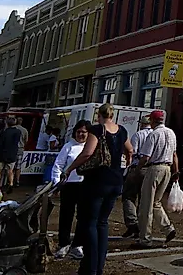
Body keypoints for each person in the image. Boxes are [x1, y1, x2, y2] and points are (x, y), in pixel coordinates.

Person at [64, 104, 133, 275]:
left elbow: (87, 153)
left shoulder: (97, 130)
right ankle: (99, 265)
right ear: (112, 115)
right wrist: (127, 162)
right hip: (115, 180)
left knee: (90, 222)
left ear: (98, 115)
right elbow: (130, 149)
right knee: (103, 222)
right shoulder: (122, 130)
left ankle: (91, 266)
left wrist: (69, 169)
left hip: (98, 180)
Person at [134, 110, 179, 249]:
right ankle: (168, 228)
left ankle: (145, 239)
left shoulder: (154, 134)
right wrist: (176, 171)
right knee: (156, 202)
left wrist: (137, 168)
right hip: (167, 168)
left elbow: (146, 156)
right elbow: (174, 154)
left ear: (153, 121)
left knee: (146, 205)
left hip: (154, 168)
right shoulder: (171, 133)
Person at [51, 120, 90, 260]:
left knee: (83, 216)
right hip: (69, 185)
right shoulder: (68, 146)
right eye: (78, 132)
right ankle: (63, 243)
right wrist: (57, 183)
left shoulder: (91, 147)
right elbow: (58, 166)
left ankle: (78, 245)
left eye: (84, 132)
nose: (81, 134)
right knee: (66, 215)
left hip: (85, 185)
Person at [122, 116, 153, 239]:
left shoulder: (138, 135)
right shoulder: (155, 134)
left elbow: (132, 151)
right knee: (144, 198)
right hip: (151, 169)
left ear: (141, 124)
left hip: (137, 167)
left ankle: (132, 224)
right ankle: (142, 226)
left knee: (129, 196)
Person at [0, 117, 20, 193]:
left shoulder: (4, 131)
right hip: (12, 154)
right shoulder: (18, 132)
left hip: (2, 154)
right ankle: (11, 184)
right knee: (10, 171)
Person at [13, 117, 29, 188]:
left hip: (12, 149)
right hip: (20, 149)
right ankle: (17, 181)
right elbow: (26, 140)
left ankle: (10, 181)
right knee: (18, 167)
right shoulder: (25, 130)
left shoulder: (13, 128)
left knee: (11, 166)